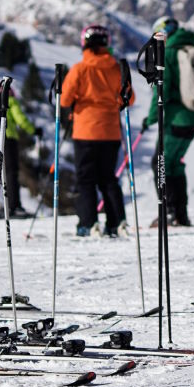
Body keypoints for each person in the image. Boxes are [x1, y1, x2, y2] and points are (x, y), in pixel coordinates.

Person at [140, 16, 194, 227]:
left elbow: (162, 90)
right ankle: (181, 214)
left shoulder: (168, 54)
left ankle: (168, 213)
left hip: (175, 121)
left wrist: (150, 119)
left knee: (160, 163)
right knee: (175, 164)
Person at [60, 25, 134, 237]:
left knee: (86, 179)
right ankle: (117, 221)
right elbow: (129, 97)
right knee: (108, 178)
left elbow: (65, 99)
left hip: (85, 131)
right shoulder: (115, 68)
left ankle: (88, 223)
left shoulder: (80, 69)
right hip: (110, 132)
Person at [0, 85, 39, 219]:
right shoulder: (10, 101)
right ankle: (14, 207)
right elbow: (20, 119)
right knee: (10, 172)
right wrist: (34, 131)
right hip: (7, 139)